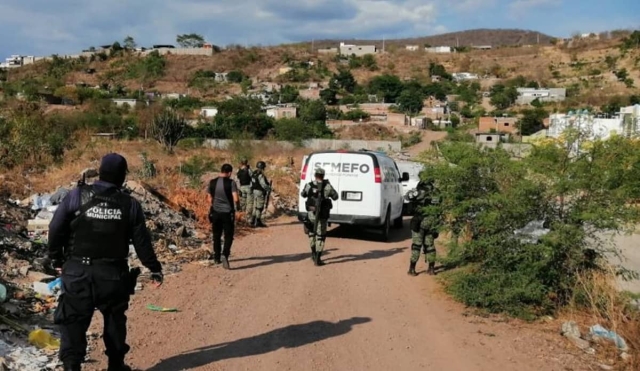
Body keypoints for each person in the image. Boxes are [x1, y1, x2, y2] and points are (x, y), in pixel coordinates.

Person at [48, 153, 163, 371]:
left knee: (73, 321)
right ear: (121, 176)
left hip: (77, 272)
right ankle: (116, 365)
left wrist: (56, 258)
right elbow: (142, 243)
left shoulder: (76, 196)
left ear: (100, 172)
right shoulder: (130, 205)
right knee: (114, 320)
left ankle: (72, 366)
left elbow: (55, 228)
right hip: (112, 274)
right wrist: (154, 268)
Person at [300, 168, 338, 266]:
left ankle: (313, 254)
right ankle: (318, 258)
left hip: (311, 214)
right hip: (322, 216)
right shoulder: (328, 186)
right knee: (320, 236)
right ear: (323, 176)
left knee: (312, 234)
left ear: (315, 175)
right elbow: (335, 197)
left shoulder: (309, 185)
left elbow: (303, 194)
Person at [406, 177, 443, 276]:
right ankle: (431, 269)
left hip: (419, 221)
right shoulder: (437, 192)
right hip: (433, 222)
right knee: (430, 246)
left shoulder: (419, 192)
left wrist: (413, 193)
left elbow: (407, 197)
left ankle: (412, 269)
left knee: (416, 246)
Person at [208, 163, 240, 269]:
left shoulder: (212, 182)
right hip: (227, 213)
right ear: (229, 173)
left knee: (216, 235)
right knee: (228, 235)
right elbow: (235, 198)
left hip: (215, 213)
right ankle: (225, 254)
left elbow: (209, 199)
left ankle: (216, 257)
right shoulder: (231, 183)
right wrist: (238, 207)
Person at [250, 160, 271, 228]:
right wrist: (269, 188)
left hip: (254, 191)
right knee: (259, 207)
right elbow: (263, 184)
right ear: (262, 167)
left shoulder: (254, 173)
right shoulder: (260, 175)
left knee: (255, 206)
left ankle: (252, 221)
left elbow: (251, 183)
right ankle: (258, 221)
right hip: (260, 192)